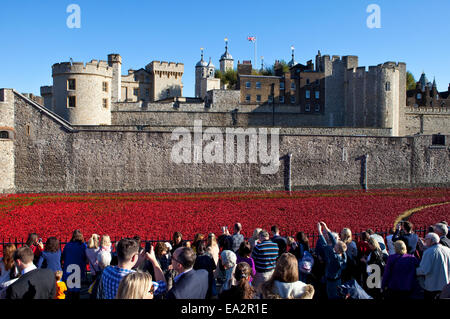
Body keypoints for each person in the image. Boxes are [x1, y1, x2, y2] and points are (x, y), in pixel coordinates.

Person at [98, 238, 166, 299]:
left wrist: (136, 261)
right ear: (134, 257)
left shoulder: (107, 271)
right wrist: (154, 260)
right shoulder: (139, 281)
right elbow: (162, 286)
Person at [316, 221, 347, 299]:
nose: (334, 245)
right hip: (338, 279)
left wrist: (319, 231)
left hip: (331, 281)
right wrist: (326, 227)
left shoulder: (333, 256)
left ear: (337, 249)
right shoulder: (343, 255)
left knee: (332, 296)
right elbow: (334, 241)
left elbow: (324, 245)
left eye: (336, 246)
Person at [416, 232, 450, 299]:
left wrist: (414, 270)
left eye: (426, 240)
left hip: (433, 286)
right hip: (446, 285)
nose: (425, 241)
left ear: (431, 240)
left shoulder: (429, 252)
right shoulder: (447, 250)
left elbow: (424, 270)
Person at [61, 229, 87, 299]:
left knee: (69, 292)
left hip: (69, 269)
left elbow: (63, 256)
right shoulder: (83, 246)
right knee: (76, 292)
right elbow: (86, 257)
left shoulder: (67, 245)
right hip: (78, 270)